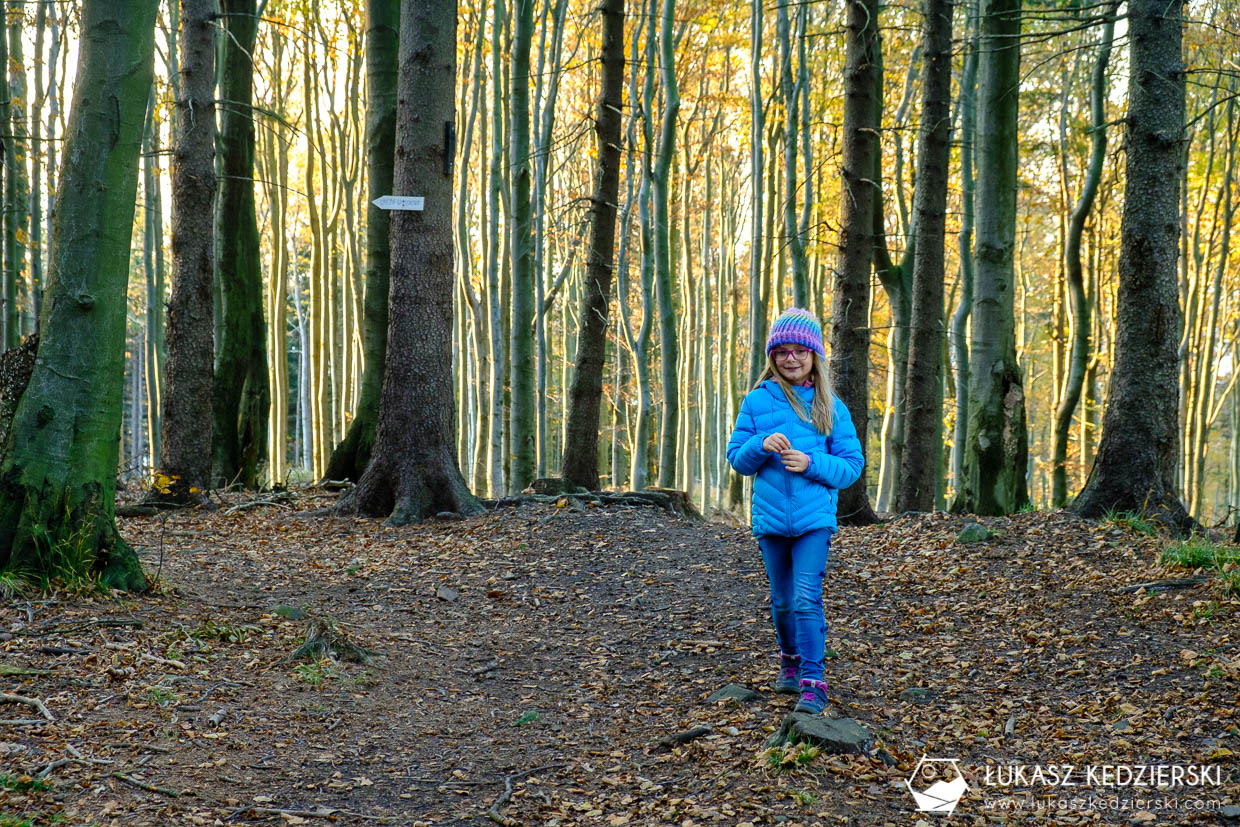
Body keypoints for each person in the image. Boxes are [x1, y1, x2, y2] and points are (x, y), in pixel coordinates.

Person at [726, 307, 865, 715]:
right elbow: (737, 458)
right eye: (782, 351)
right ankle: (789, 660)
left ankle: (813, 681)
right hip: (770, 521)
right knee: (783, 601)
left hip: (813, 522)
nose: (791, 358)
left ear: (814, 355)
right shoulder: (756, 402)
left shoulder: (831, 407)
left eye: (800, 351)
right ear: (772, 356)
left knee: (807, 599)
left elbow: (851, 466)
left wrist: (811, 464)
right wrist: (759, 445)